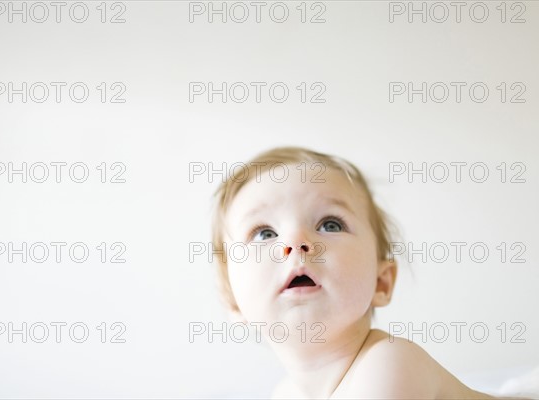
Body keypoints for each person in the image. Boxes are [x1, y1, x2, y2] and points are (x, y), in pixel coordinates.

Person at [211, 146, 521, 399]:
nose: (296, 242)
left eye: (330, 224)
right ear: (233, 302)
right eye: (264, 233)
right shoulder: (284, 394)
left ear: (381, 282)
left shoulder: (389, 362)